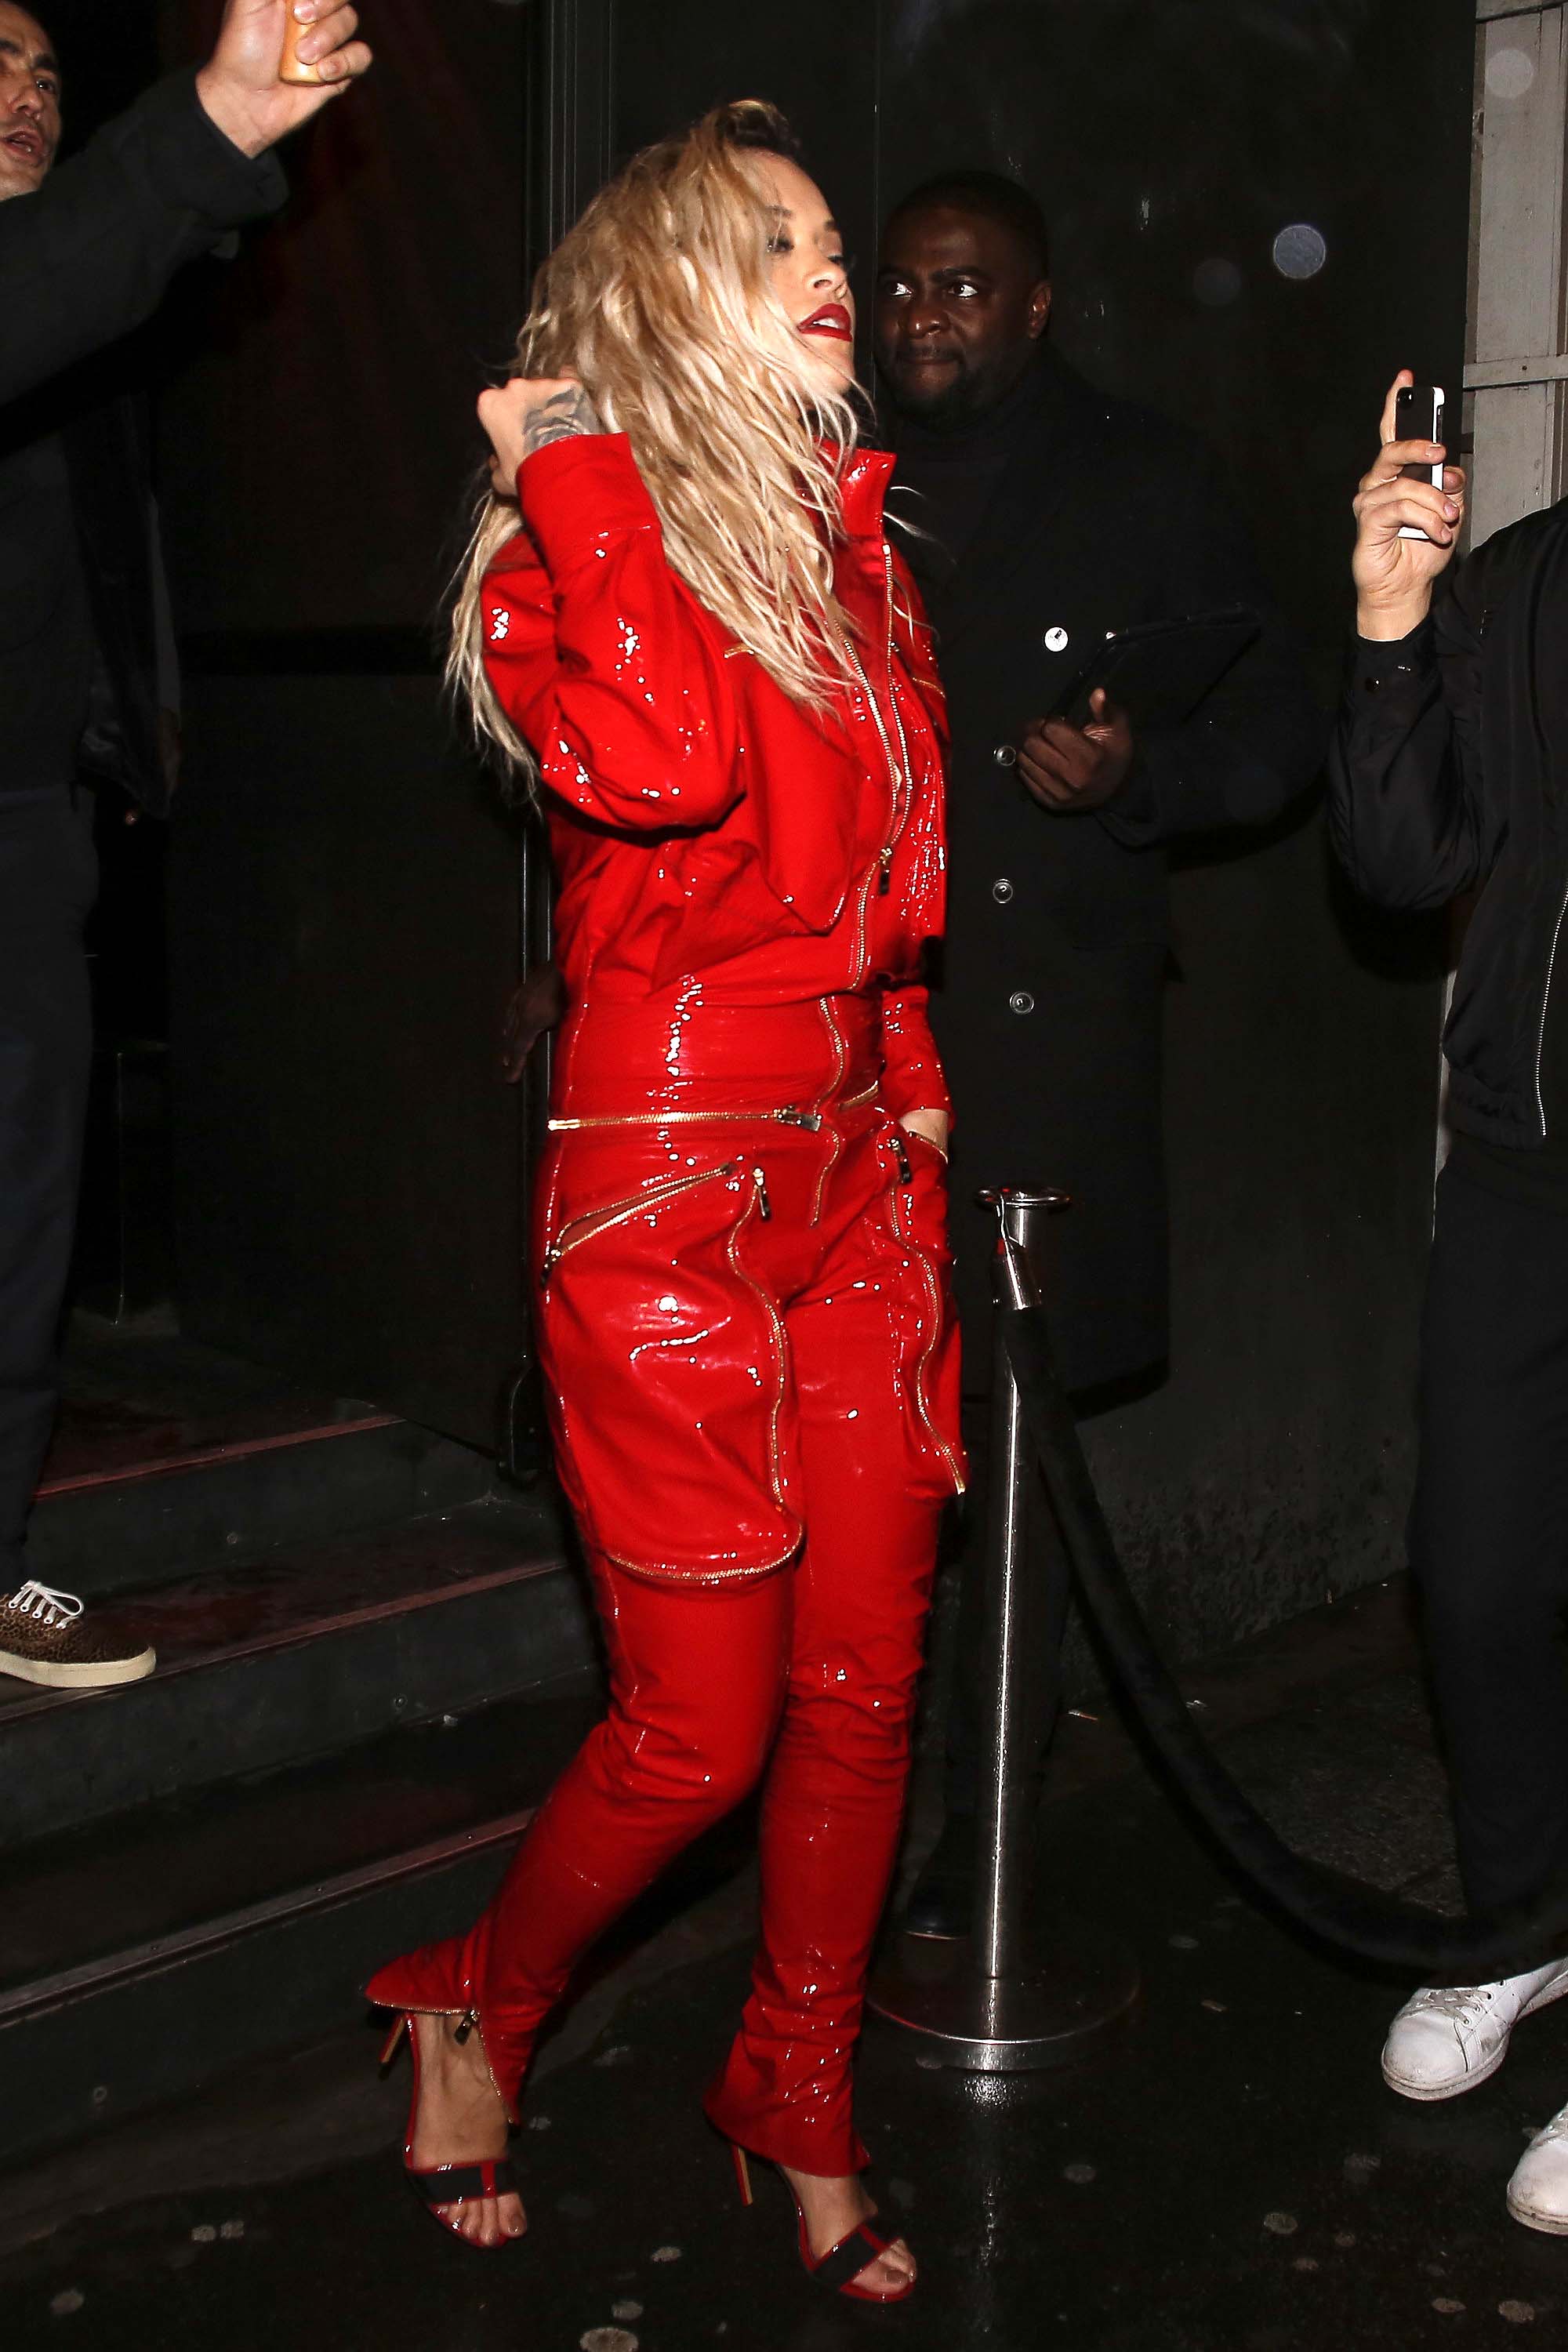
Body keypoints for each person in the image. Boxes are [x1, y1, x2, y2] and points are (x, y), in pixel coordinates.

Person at [364, 103, 964, 2300]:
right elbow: (668, 764)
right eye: (774, 241)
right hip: (668, 1195)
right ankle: (477, 2002)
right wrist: (578, 463)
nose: (834, 268)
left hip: (857, 1182)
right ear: (659, 297)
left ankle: (795, 2092)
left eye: (829, 235)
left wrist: (916, 1099)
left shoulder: (863, 550)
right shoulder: (565, 547)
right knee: (701, 1729)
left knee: (865, 1695)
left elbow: (894, 898)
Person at [871, 169, 1324, 1936]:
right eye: (904, 286)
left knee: (1014, 1442)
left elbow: (1279, 723)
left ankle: (975, 1819)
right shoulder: (833, 470)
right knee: (866, 1427)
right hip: (854, 1032)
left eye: (964, 286)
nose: (926, 314)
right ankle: (852, 1794)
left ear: (1038, 302)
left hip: (1045, 1045)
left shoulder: (1144, 475)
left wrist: (1144, 778)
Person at [0, 0, 371, 1692]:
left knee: (24, 1225)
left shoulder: (77, 291)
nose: (26, 94)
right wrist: (208, 120)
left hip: (30, 821)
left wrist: (129, 722)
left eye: (44, 75)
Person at [1330, 372, 1568, 2236]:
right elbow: (1401, 864)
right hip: (1516, 1165)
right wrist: (1394, 622)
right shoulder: (1524, 582)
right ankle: (1521, 1924)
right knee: (1477, 1578)